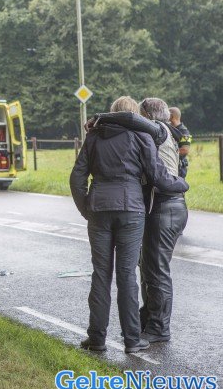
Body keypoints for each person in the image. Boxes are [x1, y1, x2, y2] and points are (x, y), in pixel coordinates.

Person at [70, 96, 189, 354]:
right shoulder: (141, 136)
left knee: (100, 274)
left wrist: (86, 208)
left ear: (113, 112)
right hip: (132, 211)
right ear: (135, 116)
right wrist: (182, 184)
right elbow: (158, 176)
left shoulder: (94, 137)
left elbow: (77, 177)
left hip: (99, 209)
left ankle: (96, 338)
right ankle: (132, 340)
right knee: (127, 275)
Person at [136, 98, 189, 343]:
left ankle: (159, 327)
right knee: (148, 268)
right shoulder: (164, 132)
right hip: (165, 206)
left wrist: (103, 119)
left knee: (156, 270)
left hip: (165, 207)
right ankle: (148, 319)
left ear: (148, 116)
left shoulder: (159, 129)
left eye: (140, 115)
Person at [169, 107, 192, 178]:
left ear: (171, 116)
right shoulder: (169, 129)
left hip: (179, 168)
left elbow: (184, 150)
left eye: (166, 115)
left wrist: (168, 152)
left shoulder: (184, 131)